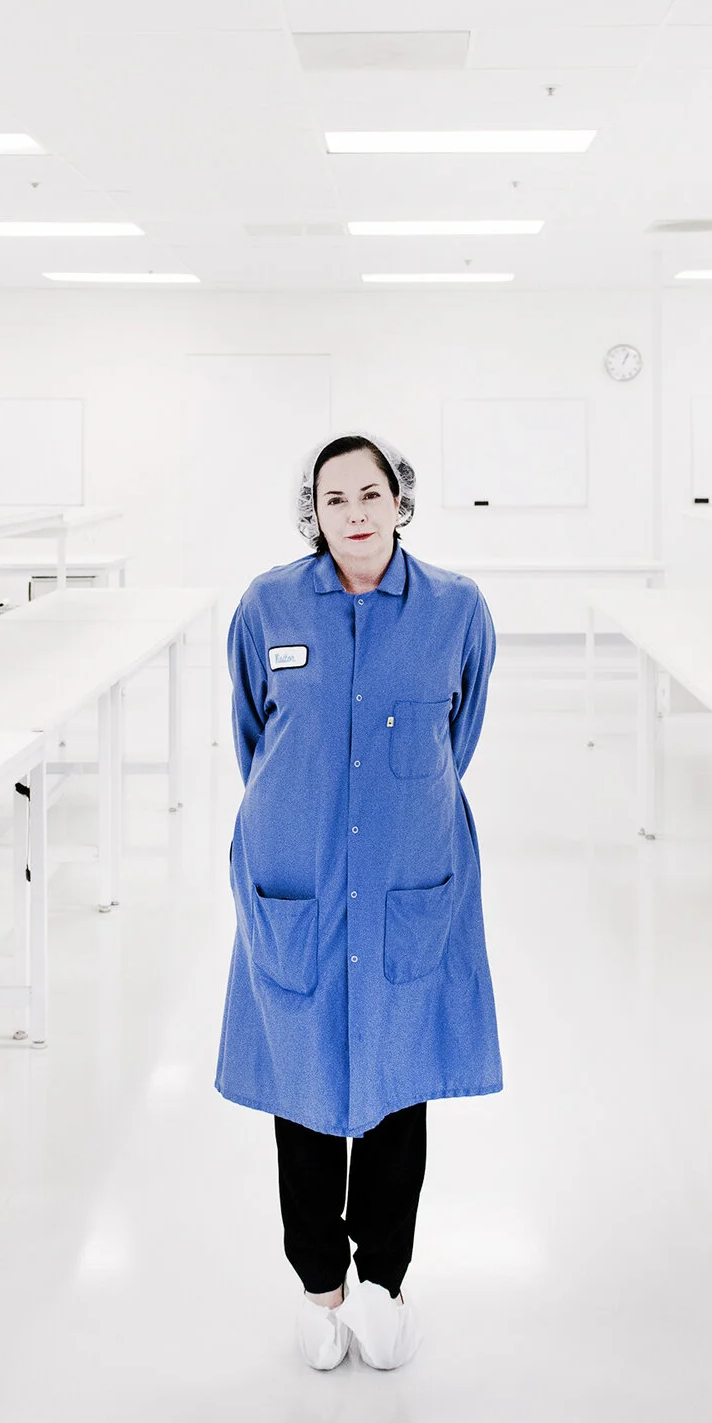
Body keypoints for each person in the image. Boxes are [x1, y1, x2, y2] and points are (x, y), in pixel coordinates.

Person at [216, 432, 501, 1373]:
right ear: (314, 512)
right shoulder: (267, 604)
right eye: (334, 499)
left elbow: (459, 734)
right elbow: (254, 734)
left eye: (371, 493)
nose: (355, 513)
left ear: (399, 500)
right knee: (301, 1082)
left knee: (393, 1075)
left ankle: (382, 1281)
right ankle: (319, 1288)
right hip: (295, 873)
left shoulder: (455, 608)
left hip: (406, 875)